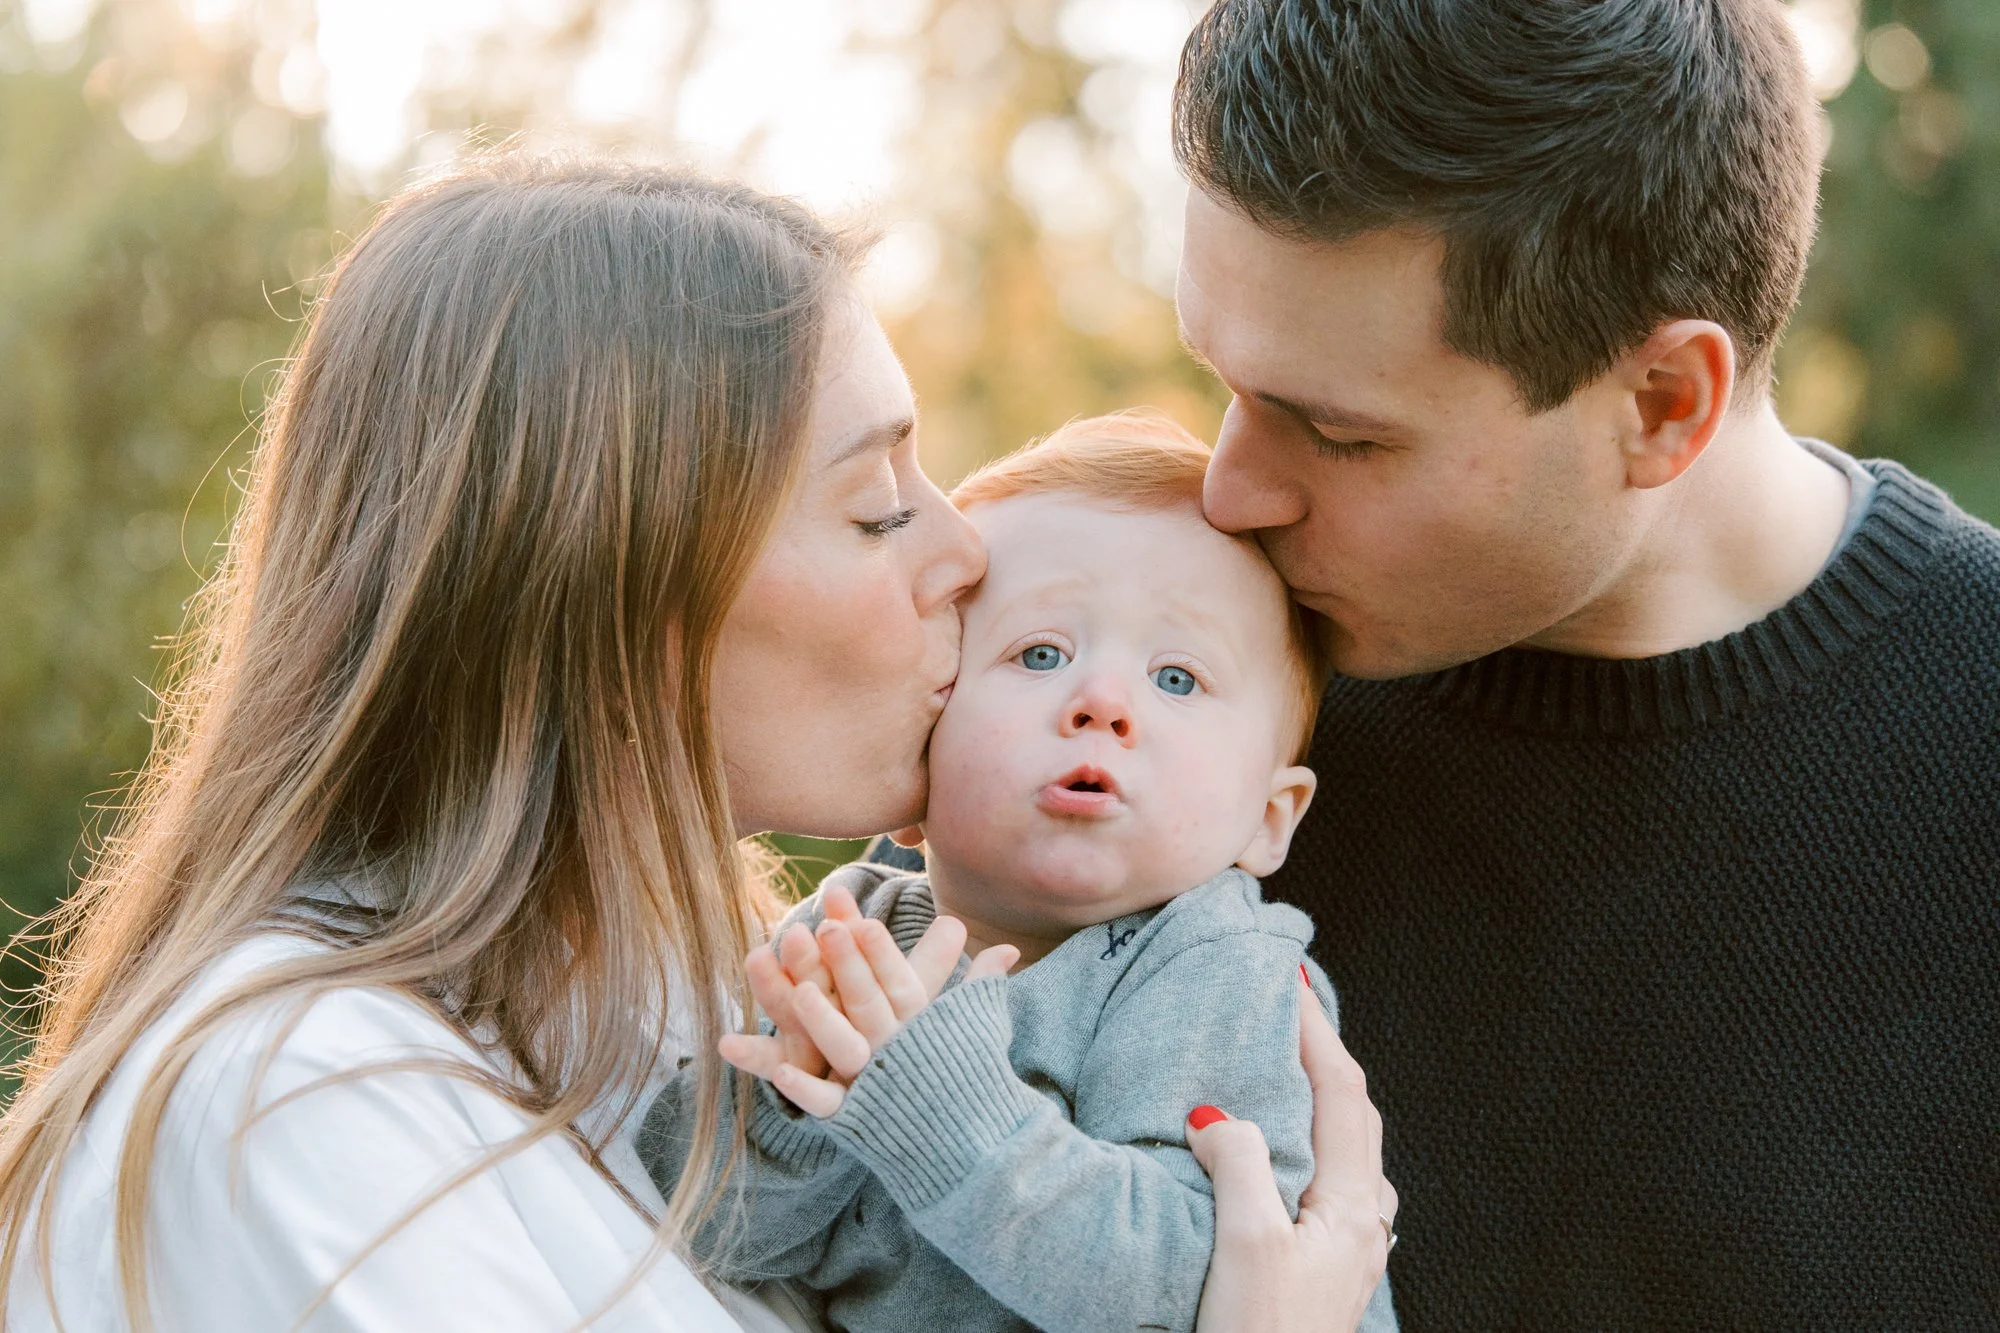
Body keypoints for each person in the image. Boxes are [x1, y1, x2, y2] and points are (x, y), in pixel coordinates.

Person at [0, 155, 1393, 1332]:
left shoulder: (695, 1008)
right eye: (875, 508)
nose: (967, 554)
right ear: (616, 595)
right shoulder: (297, 1110)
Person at [1170, 1, 2000, 1328]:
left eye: (1335, 431)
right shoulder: (1154, 695)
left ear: (1667, 403)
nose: (1227, 492)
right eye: (1216, 376)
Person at [641, 413, 1398, 1333]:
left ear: (1268, 818)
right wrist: (791, 1112)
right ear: (916, 768)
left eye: (1177, 678)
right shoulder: (854, 935)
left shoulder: (1221, 969)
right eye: (1039, 654)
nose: (1103, 704)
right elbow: (699, 1234)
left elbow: (1207, 1280)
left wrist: (937, 1107)